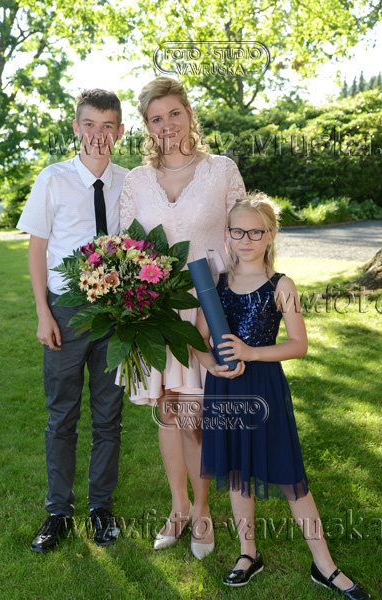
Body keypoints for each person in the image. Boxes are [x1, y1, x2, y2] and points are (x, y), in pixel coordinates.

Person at [193, 192, 371, 598]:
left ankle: (324, 566)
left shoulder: (281, 285)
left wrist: (251, 352)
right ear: (227, 234)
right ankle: (248, 553)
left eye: (256, 232)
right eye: (238, 231)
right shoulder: (216, 285)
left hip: (264, 387)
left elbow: (298, 344)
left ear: (271, 235)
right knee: (237, 472)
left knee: (290, 476)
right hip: (225, 388)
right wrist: (210, 363)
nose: (246, 240)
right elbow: (198, 339)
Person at [119, 76, 246, 559]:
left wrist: (217, 297)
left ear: (190, 113)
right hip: (154, 311)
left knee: (196, 415)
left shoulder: (222, 170)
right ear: (147, 127)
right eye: (156, 118)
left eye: (174, 113)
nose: (167, 124)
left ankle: (203, 512)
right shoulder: (136, 180)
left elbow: (242, 239)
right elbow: (125, 246)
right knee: (168, 410)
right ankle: (178, 507)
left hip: (208, 308)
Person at [17, 89, 128, 553]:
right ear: (76, 127)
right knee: (62, 415)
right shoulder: (53, 179)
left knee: (109, 417)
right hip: (64, 311)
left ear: (120, 131)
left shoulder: (129, 182)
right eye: (89, 124)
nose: (98, 134)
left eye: (108, 126)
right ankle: (58, 511)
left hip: (114, 315)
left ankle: (100, 508)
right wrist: (43, 312)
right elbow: (37, 248)